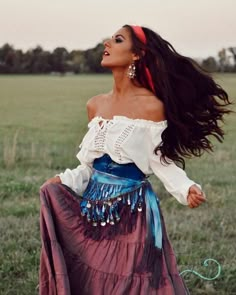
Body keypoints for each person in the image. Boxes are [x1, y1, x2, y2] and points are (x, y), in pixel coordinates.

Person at [39, 25, 231, 295]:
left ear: (137, 55)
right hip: (94, 208)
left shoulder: (151, 106)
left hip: (133, 212)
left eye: (118, 40)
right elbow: (90, 167)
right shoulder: (95, 105)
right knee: (97, 279)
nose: (107, 42)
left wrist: (186, 187)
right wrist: (62, 181)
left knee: (129, 283)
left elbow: (159, 161)